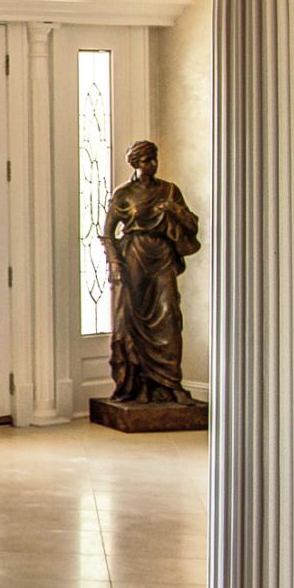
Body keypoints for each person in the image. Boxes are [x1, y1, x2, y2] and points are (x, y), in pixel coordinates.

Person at [102, 140, 201, 404]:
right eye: (146, 161)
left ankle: (171, 383)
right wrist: (114, 263)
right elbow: (108, 233)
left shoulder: (169, 191)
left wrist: (174, 210)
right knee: (132, 321)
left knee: (169, 314)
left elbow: (192, 225)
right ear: (135, 163)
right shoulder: (124, 194)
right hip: (134, 256)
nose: (152, 165)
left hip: (162, 255)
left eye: (154, 160)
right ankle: (139, 386)